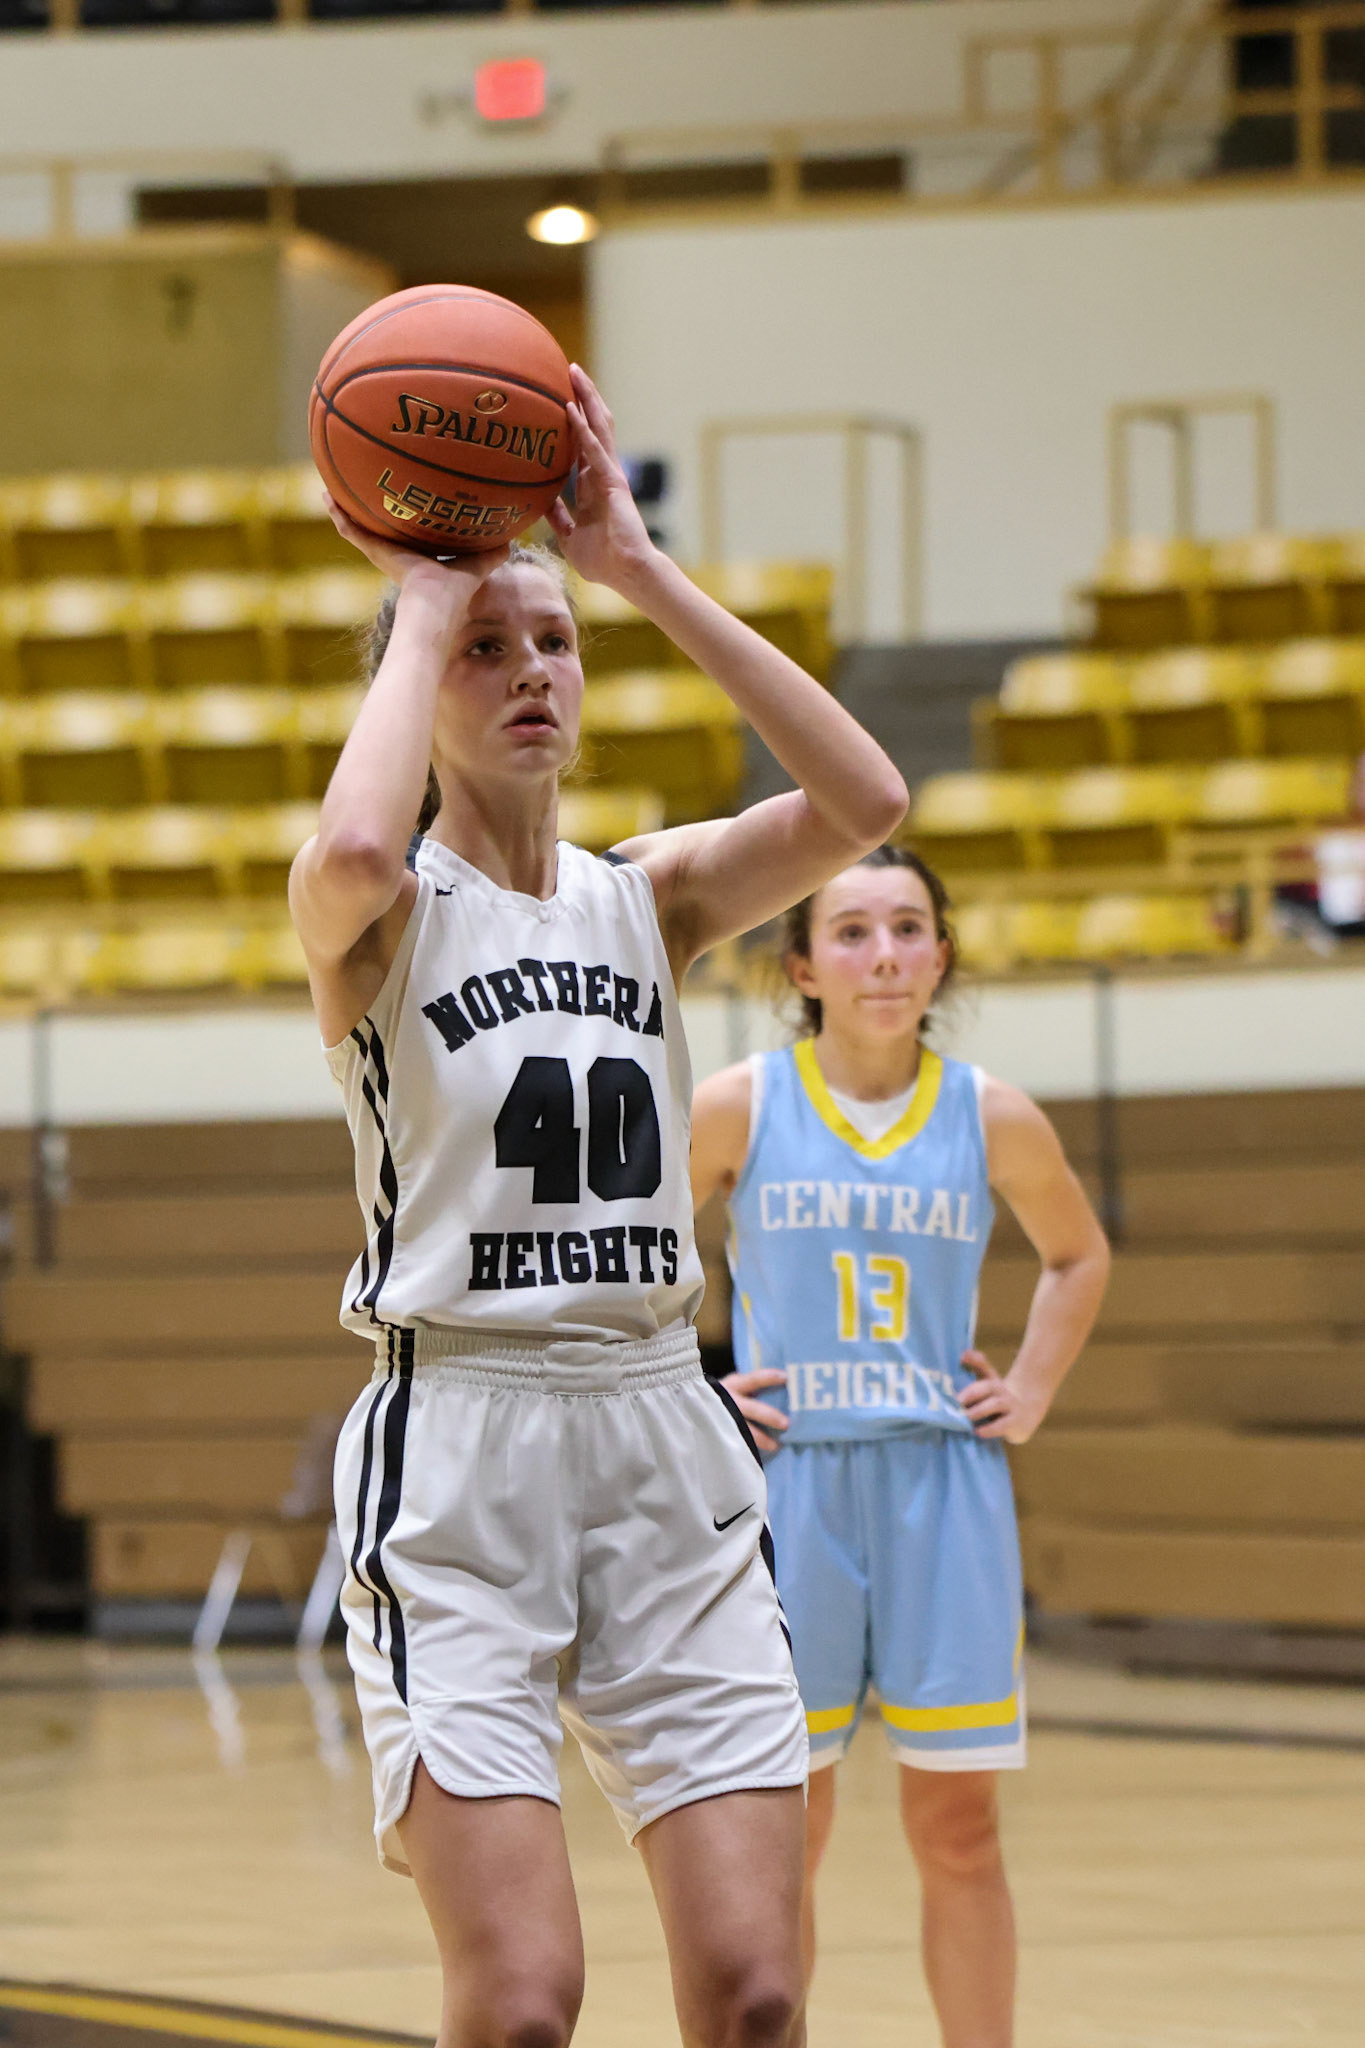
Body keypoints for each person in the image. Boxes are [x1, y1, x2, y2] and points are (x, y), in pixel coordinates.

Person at [288, 363, 908, 2048]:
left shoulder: (652, 893)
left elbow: (869, 806)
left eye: (551, 642)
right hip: (461, 1447)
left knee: (763, 1990)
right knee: (521, 2006)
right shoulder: (382, 909)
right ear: (426, 685)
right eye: (495, 648)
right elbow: (349, 848)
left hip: (657, 1431)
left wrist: (634, 567)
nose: (531, 671)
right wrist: (428, 600)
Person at [690, 847, 1110, 2048]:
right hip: (793, 1489)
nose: (883, 954)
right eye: (855, 931)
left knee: (961, 1829)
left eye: (908, 929)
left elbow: (1079, 1255)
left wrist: (1029, 1387)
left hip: (943, 1485)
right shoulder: (741, 1103)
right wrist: (693, 1392)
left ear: (940, 956)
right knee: (790, 1831)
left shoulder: (988, 1112)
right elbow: (630, 1257)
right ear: (804, 963)